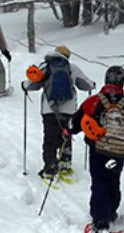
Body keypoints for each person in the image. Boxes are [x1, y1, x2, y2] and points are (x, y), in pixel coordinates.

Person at [70, 66, 124, 233]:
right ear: (122, 81)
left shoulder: (94, 102)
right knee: (113, 179)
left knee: (99, 182)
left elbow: (78, 120)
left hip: (99, 149)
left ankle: (100, 221)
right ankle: (111, 211)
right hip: (119, 151)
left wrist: (69, 131)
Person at [22, 46, 95, 179]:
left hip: (49, 109)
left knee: (49, 138)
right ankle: (65, 164)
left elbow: (33, 84)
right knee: (65, 135)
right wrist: (92, 85)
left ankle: (50, 168)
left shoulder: (46, 67)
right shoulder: (72, 68)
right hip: (68, 110)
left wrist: (24, 85)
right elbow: (86, 84)